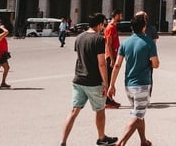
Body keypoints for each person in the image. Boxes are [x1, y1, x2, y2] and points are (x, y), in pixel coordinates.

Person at [60, 13, 118, 146]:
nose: (103, 27)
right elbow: (101, 63)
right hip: (93, 82)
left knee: (74, 111)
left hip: (78, 80)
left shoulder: (79, 37)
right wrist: (106, 83)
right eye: (103, 24)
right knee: (100, 110)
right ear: (99, 24)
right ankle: (101, 138)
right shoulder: (98, 39)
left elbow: (80, 57)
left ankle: (63, 141)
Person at [108, 12, 159, 146]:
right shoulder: (149, 42)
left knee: (139, 113)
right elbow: (156, 64)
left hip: (128, 85)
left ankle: (143, 141)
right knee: (137, 115)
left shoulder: (125, 43)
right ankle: (120, 143)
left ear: (132, 28)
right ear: (144, 27)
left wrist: (111, 85)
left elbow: (117, 65)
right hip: (142, 84)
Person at [104, 9, 123, 108]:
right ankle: (107, 101)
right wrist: (112, 59)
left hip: (114, 55)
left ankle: (109, 99)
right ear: (116, 16)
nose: (122, 17)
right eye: (120, 15)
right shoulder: (110, 28)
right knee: (108, 79)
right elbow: (109, 44)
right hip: (110, 57)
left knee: (111, 79)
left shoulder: (114, 27)